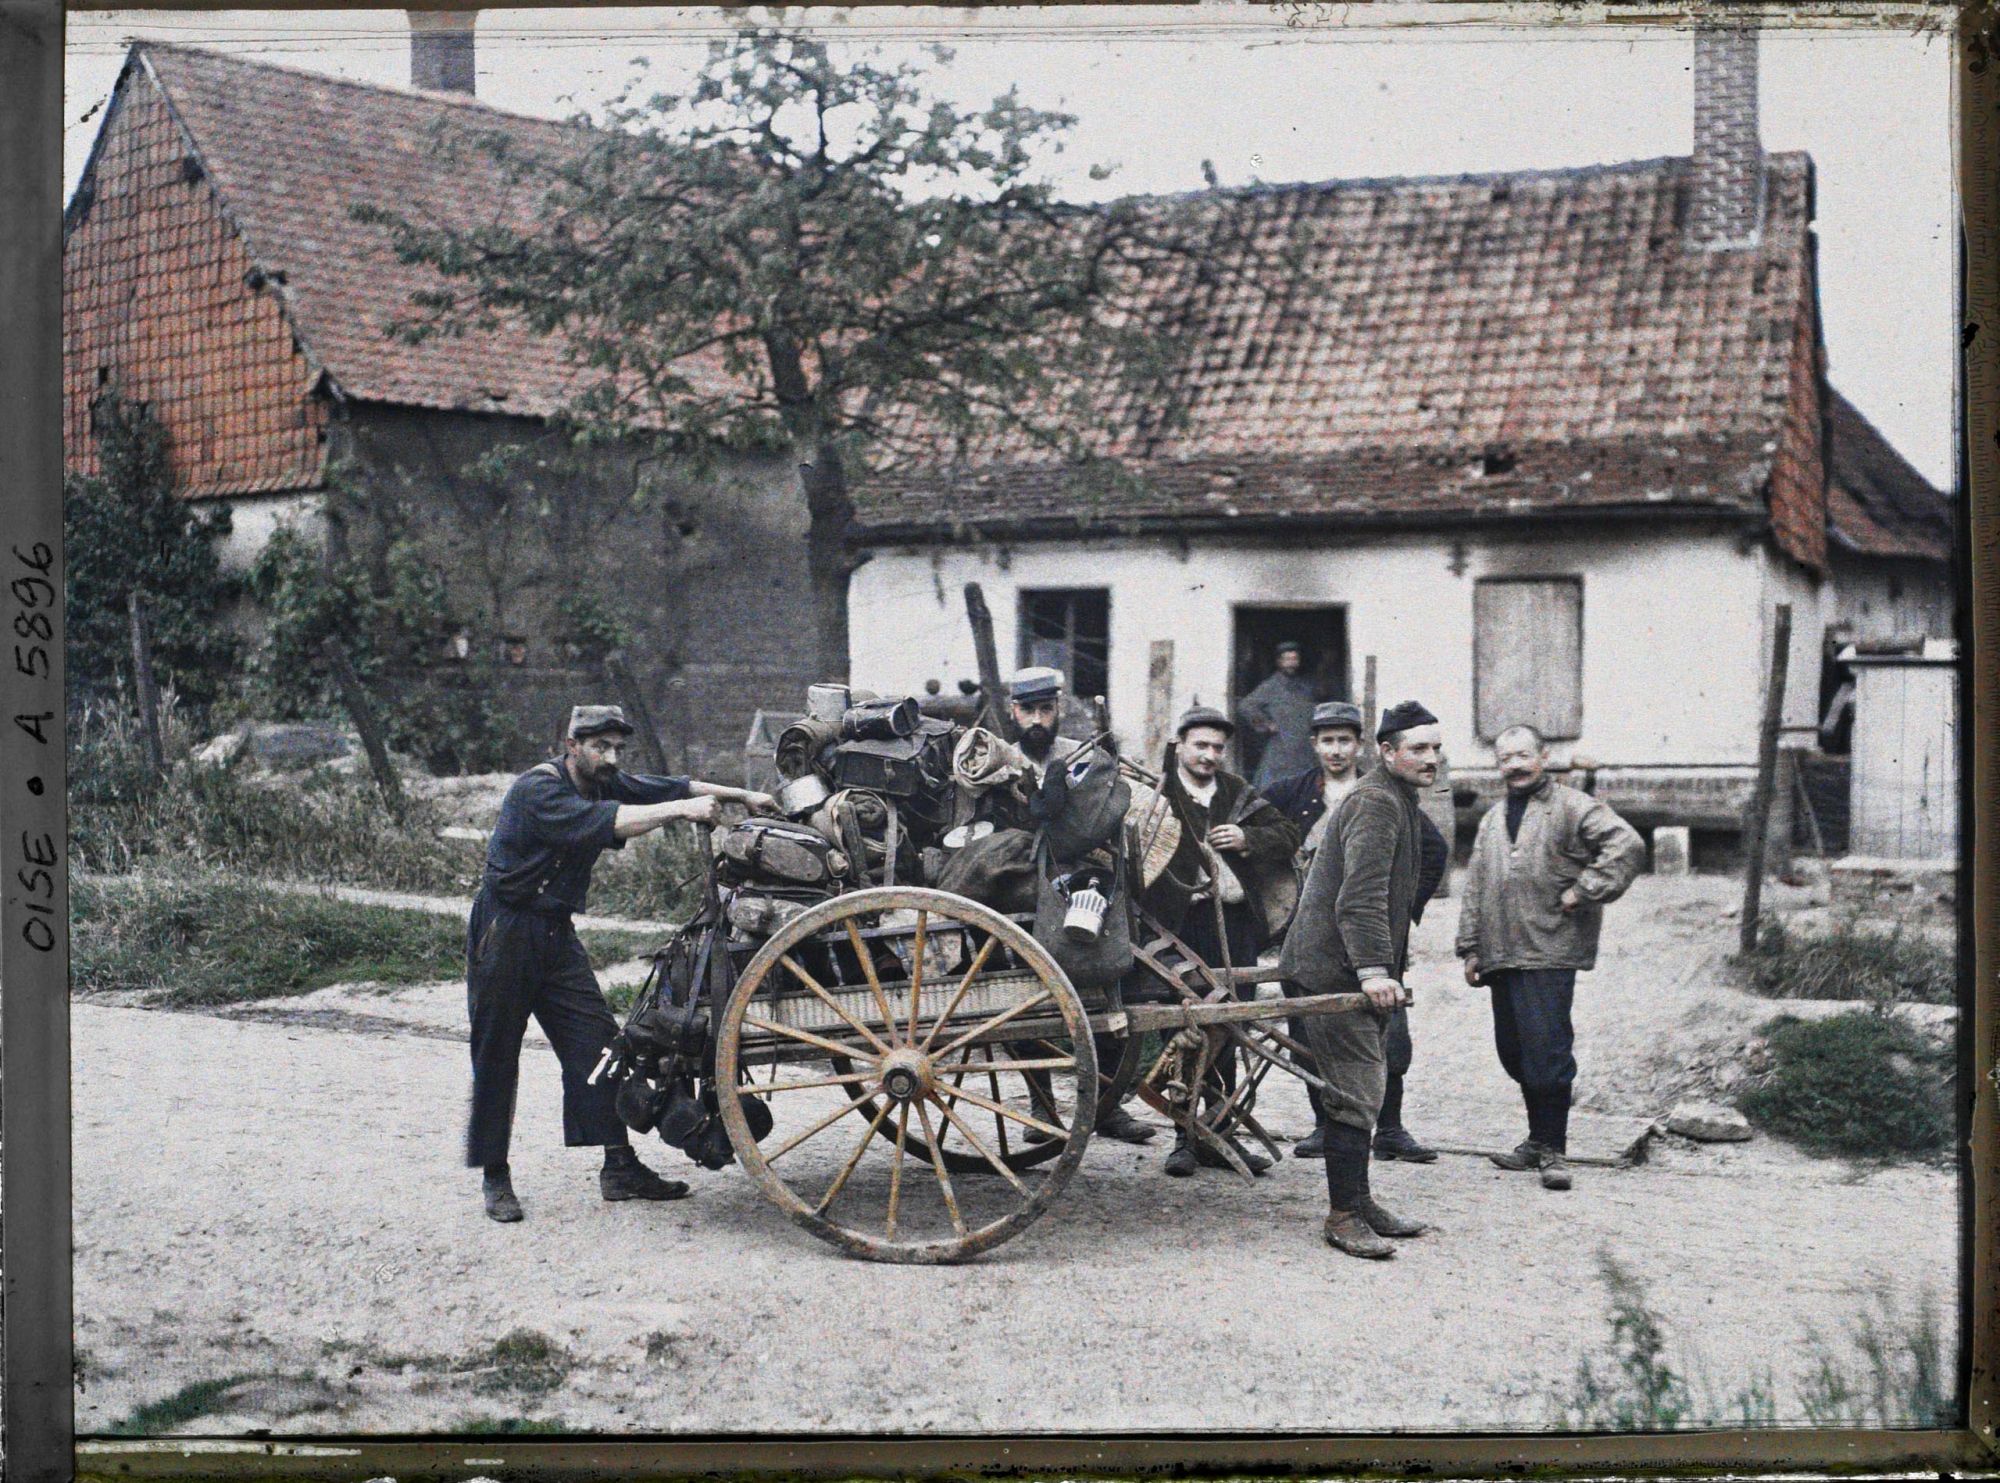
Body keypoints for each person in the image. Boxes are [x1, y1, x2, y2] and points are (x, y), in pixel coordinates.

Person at [467, 704, 778, 1223]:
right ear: (572, 745)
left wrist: (743, 795)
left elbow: (672, 785)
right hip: (506, 931)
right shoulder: (538, 790)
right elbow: (615, 822)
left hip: (554, 934)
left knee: (600, 1047)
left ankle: (618, 1167)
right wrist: (682, 813)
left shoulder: (601, 780)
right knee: (496, 1054)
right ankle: (494, 1176)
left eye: (617, 749)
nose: (611, 758)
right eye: (600, 747)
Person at [1276, 700, 1443, 1260]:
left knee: (1364, 1085)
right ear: (1387, 752)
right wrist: (1373, 969)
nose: (1431, 758)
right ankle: (1344, 1214)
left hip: (1341, 962)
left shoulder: (1396, 799)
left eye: (1436, 748)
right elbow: (1360, 898)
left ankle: (1361, 1200)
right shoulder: (1376, 803)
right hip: (1332, 968)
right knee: (1357, 1086)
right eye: (1418, 748)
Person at [1455, 723, 1644, 1192]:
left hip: (1550, 947)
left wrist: (1585, 890)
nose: (1514, 766)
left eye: (1523, 756)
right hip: (1502, 949)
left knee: (1546, 1050)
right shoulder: (1493, 817)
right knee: (1514, 1051)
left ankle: (1553, 1148)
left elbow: (1628, 845)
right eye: (1505, 759)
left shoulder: (1573, 806)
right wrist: (1471, 946)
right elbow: (1477, 883)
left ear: (1543, 756)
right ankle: (1536, 1140)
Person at [972, 666, 1157, 1147]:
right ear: (1013, 712)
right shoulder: (995, 758)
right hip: (1011, 893)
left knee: (1106, 989)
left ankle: (1106, 1107)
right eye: (1028, 710)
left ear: (1057, 711)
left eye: (1045, 710)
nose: (1037, 719)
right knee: (1014, 1001)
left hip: (1079, 885)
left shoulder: (1080, 756)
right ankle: (1041, 1104)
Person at [1139, 705, 1302, 1177]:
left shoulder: (1235, 791)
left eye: (1217, 748)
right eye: (1201, 746)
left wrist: (1248, 837)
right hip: (1176, 926)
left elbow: (1288, 833)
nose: (1209, 756)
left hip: (1233, 925)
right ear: (1180, 746)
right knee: (1187, 1028)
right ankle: (1184, 1138)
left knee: (1229, 1026)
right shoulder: (1158, 793)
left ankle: (1220, 1131)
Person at [1238, 641, 1320, 789]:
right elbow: (1246, 705)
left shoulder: (1304, 686)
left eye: (1294, 659)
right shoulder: (1271, 685)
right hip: (1282, 748)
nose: (1291, 663)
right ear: (1279, 662)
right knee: (1274, 789)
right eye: (1287, 660)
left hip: (1305, 749)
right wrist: (1266, 724)